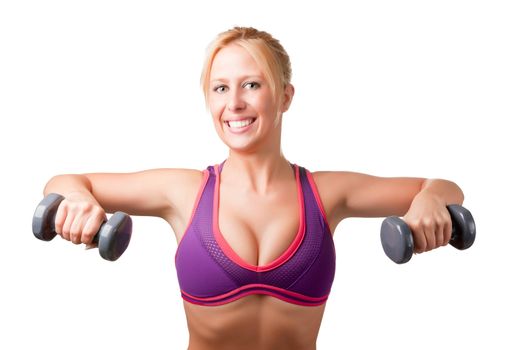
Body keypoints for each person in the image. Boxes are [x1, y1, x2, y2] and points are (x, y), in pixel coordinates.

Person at [43, 27, 464, 350]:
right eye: (220, 88)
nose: (235, 104)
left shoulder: (328, 193)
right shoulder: (184, 191)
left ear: (285, 96)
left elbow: (444, 188)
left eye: (252, 84)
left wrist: (429, 199)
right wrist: (77, 201)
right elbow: (63, 182)